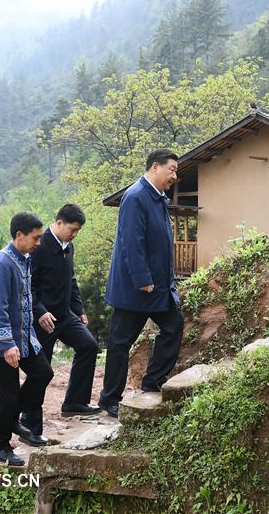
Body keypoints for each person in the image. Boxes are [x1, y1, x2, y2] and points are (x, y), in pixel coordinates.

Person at [98, 148, 184, 418]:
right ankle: (109, 399)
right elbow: (131, 242)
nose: (174, 175)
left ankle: (152, 381)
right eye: (171, 169)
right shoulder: (135, 196)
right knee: (120, 342)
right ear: (155, 167)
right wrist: (142, 278)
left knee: (173, 324)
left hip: (158, 286)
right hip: (137, 288)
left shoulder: (158, 198)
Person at [0, 212, 54, 466]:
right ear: (19, 236)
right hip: (0, 340)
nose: (39, 242)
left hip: (23, 335)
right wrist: (6, 344)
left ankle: (11, 421)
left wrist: (34, 322)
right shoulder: (1, 264)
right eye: (36, 237)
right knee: (8, 394)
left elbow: (24, 299)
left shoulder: (24, 259)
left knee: (43, 373)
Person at [19, 204, 101, 438]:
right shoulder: (38, 246)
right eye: (72, 229)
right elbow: (27, 285)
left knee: (89, 346)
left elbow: (71, 280)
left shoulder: (69, 247)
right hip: (43, 320)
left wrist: (79, 308)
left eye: (78, 231)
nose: (74, 234)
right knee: (41, 372)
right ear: (58, 223)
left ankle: (75, 402)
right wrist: (40, 311)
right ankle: (29, 421)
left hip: (65, 315)